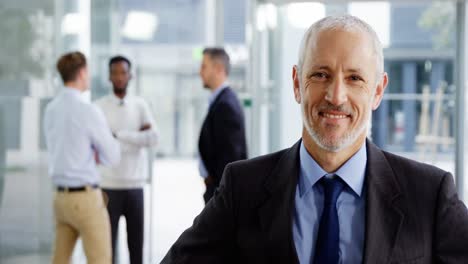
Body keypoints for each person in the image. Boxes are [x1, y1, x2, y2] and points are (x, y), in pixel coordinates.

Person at [161, 15, 468, 263]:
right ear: (297, 84)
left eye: (354, 78)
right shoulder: (243, 188)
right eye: (320, 75)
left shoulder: (429, 194)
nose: (336, 96)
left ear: (377, 90)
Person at [44, 51, 120, 264]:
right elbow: (113, 156)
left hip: (60, 199)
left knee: (60, 260)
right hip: (85, 199)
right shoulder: (88, 110)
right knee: (100, 260)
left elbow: (61, 149)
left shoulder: (51, 109)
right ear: (82, 72)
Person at [95, 55, 158, 264]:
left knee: (136, 249)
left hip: (135, 186)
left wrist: (119, 135)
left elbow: (153, 138)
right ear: (109, 76)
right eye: (115, 73)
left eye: (123, 72)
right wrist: (136, 137)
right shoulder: (99, 107)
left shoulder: (140, 105)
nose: (119, 77)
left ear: (130, 75)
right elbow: (101, 143)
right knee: (108, 249)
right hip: (108, 186)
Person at [198, 47, 247, 204]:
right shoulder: (220, 101)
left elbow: (231, 158)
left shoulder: (225, 105)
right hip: (217, 190)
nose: (200, 72)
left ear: (219, 69)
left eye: (204, 66)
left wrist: (220, 194)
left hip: (222, 194)